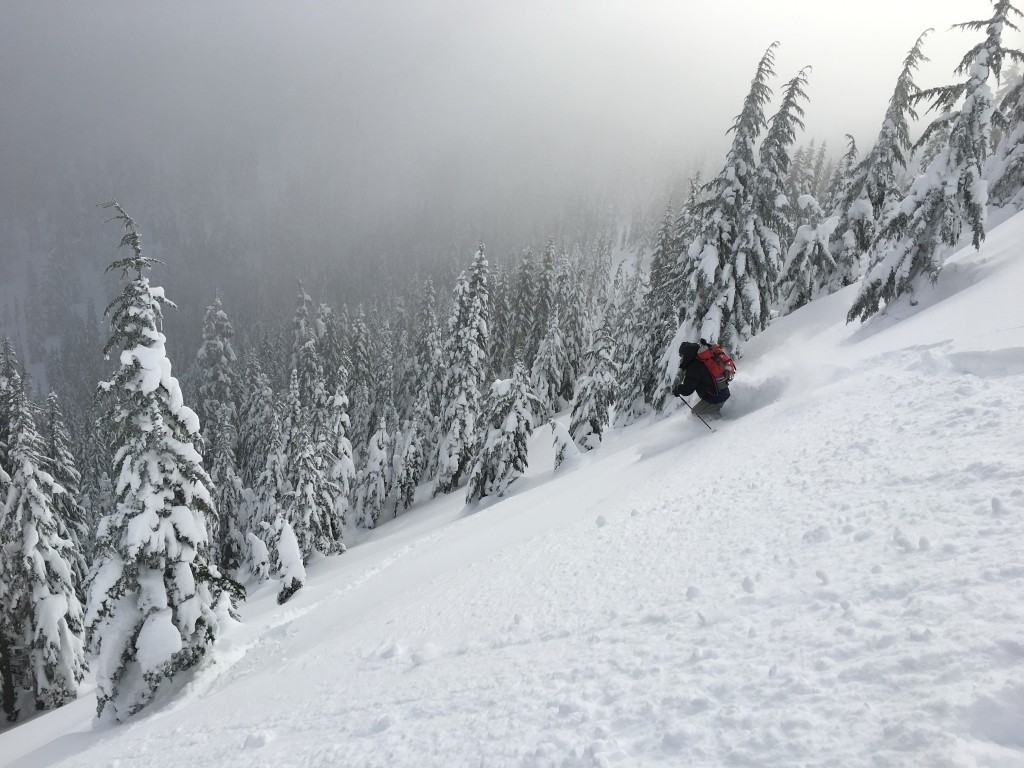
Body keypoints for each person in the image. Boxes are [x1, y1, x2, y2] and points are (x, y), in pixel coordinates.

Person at [672, 341, 730, 418]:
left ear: (686, 354)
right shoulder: (700, 360)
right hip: (722, 391)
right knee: (704, 411)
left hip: (716, 396)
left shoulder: (693, 367)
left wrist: (678, 389)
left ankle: (723, 426)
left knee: (696, 414)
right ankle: (722, 421)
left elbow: (688, 389)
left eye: (681, 355)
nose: (681, 357)